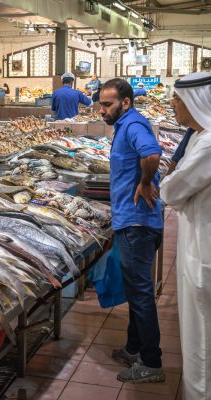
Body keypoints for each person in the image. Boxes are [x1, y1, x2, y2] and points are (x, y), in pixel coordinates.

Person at [99, 78, 164, 383]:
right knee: (137, 290)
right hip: (133, 221)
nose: (102, 110)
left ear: (125, 102)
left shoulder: (134, 124)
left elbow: (151, 155)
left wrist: (145, 182)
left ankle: (151, 363)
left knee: (140, 296)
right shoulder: (125, 125)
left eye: (107, 104)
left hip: (137, 224)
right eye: (100, 104)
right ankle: (133, 347)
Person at [160, 71, 211, 400]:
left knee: (200, 337)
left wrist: (171, 181)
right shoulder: (198, 136)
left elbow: (171, 190)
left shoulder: (208, 144)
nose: (173, 105)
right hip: (196, 244)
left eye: (177, 99)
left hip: (203, 252)